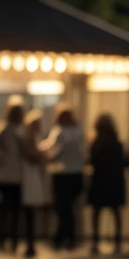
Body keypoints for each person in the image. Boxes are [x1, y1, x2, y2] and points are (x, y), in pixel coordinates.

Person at [42, 106, 85, 250]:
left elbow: (53, 150)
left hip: (62, 174)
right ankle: (69, 238)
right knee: (70, 209)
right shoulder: (78, 131)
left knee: (61, 209)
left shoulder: (59, 132)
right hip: (77, 174)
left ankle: (60, 238)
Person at [88, 113, 126, 254]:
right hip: (114, 180)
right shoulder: (117, 142)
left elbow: (92, 160)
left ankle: (95, 240)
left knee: (97, 212)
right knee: (115, 212)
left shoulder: (96, 142)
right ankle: (117, 240)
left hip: (100, 180)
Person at [0, 99, 24, 251]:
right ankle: (13, 239)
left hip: (4, 175)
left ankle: (2, 238)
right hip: (16, 176)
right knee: (14, 211)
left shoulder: (3, 129)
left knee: (5, 209)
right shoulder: (20, 131)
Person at [19, 109, 47, 258]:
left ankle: (30, 243)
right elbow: (33, 155)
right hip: (29, 177)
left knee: (30, 211)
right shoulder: (28, 138)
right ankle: (29, 243)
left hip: (32, 176)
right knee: (29, 211)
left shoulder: (31, 137)